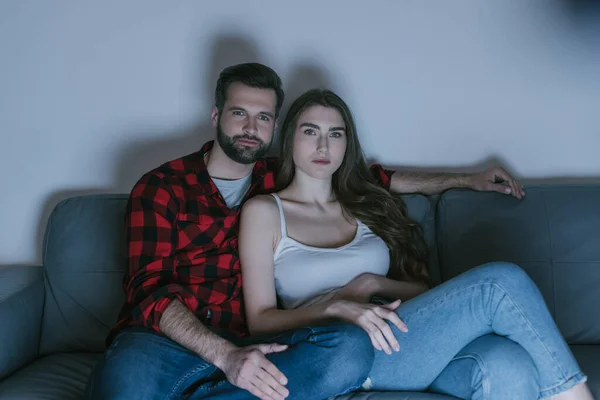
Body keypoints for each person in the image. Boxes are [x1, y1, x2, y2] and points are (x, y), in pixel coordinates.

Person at [85, 63, 528, 400]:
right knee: (124, 380)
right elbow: (149, 292)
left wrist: (464, 180)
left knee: (350, 350)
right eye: (239, 113)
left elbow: (370, 176)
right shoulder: (162, 187)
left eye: (262, 118)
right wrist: (224, 356)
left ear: (276, 127)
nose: (249, 128)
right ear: (216, 114)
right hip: (167, 344)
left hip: (263, 344)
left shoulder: (277, 177)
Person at [238, 88, 594, 400]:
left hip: (407, 339)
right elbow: (260, 321)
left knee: (509, 364)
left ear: (347, 144)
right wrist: (337, 306)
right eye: (310, 131)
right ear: (290, 139)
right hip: (340, 351)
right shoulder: (265, 211)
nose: (322, 145)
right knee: (499, 283)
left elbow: (421, 290)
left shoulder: (365, 202)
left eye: (335, 134)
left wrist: (371, 284)